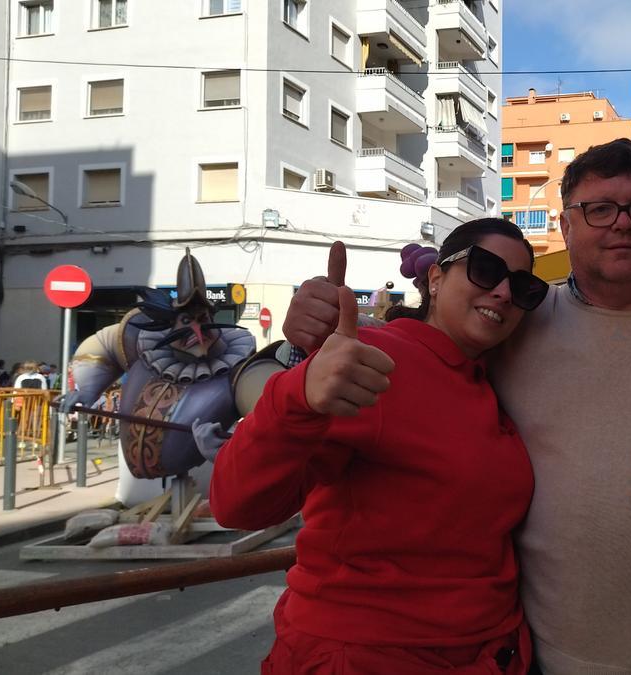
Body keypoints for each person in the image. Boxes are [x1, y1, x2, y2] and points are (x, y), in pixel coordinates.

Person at [284, 140, 631, 674]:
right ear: (566, 228)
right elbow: (413, 353)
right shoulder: (520, 325)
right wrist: (292, 351)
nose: (623, 223)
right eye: (598, 209)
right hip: (540, 660)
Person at [211, 219, 549, 674]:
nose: (504, 292)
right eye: (486, 270)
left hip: (482, 651)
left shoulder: (487, 378)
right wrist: (298, 392)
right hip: (370, 654)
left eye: (524, 286)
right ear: (435, 277)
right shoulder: (372, 358)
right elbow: (237, 505)